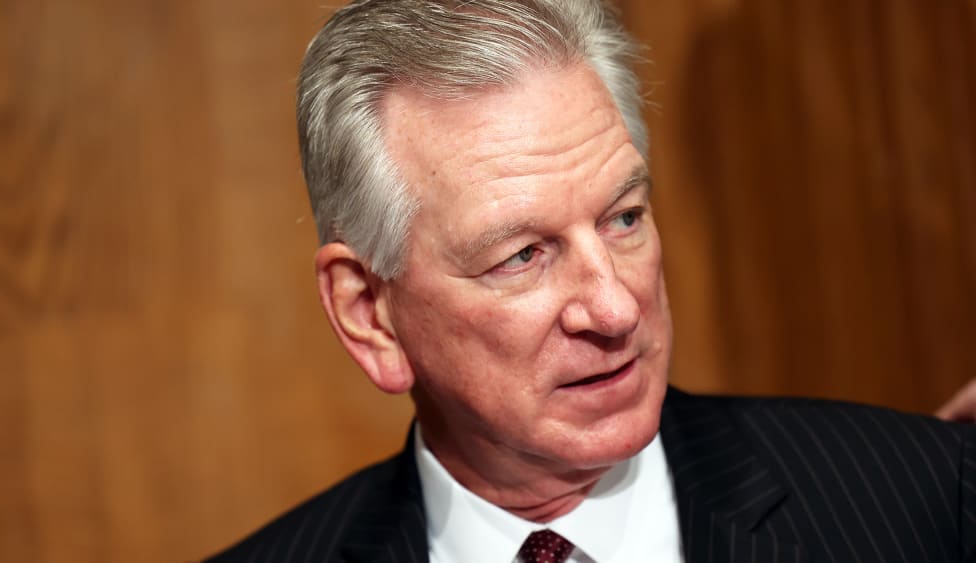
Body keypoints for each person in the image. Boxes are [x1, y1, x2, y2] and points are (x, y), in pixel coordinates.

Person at [206, 1, 976, 561]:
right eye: (522, 256)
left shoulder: (925, 499)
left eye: (624, 218)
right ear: (369, 312)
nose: (615, 307)